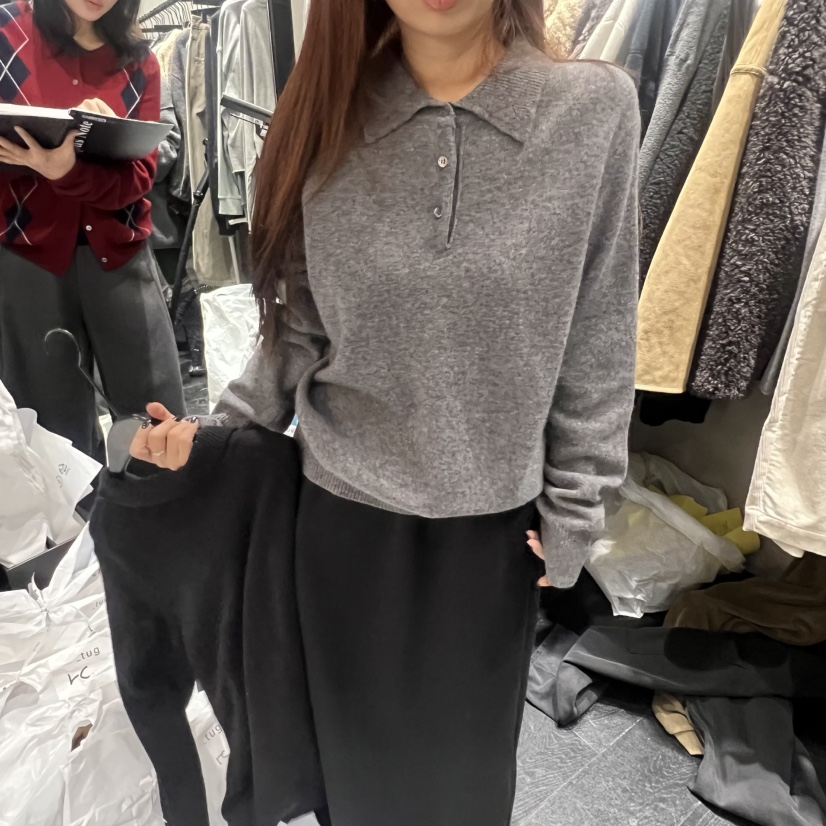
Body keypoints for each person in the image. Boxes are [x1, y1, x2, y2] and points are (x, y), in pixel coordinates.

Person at [132, 0, 640, 823]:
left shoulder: (592, 109)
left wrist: (580, 503)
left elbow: (600, 327)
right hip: (339, 525)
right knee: (353, 786)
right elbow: (301, 327)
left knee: (465, 791)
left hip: (491, 536)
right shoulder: (324, 112)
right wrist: (217, 436)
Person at [0, 0, 184, 457]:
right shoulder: (7, 35)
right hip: (28, 256)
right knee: (50, 428)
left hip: (121, 253)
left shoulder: (139, 60)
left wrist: (66, 171)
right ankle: (78, 508)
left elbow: (140, 177)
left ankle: (157, 503)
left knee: (155, 417)